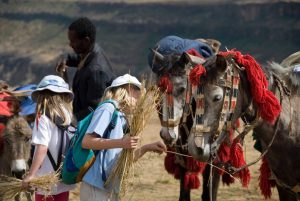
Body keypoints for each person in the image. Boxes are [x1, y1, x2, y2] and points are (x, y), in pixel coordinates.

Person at [80, 74, 166, 201]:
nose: (139, 102)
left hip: (110, 186)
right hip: (96, 185)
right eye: (138, 96)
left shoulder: (122, 117)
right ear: (129, 90)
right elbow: (87, 142)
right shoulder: (108, 108)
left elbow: (122, 160)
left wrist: (147, 148)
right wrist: (121, 143)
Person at [22, 75, 75, 201]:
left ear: (41, 95)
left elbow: (42, 147)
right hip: (63, 178)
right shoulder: (68, 116)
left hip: (45, 181)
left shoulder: (43, 117)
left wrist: (31, 175)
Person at [56, 17, 115, 122]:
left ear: (86, 41)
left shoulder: (96, 71)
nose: (70, 45)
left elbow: (94, 109)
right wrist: (66, 59)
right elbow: (78, 58)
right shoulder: (90, 52)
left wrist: (70, 120)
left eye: (73, 41)